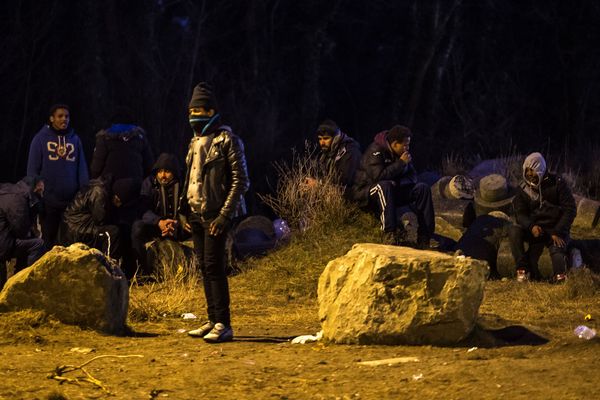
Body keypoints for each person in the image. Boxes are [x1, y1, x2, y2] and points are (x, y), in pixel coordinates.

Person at [182, 82, 250, 343]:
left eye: (199, 110)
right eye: (190, 111)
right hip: (197, 213)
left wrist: (224, 215)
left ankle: (224, 322)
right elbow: (190, 177)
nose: (193, 116)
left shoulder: (227, 141)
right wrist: (184, 211)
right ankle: (212, 319)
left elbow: (240, 181)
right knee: (203, 267)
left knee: (215, 266)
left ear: (212, 112)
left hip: (215, 214)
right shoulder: (194, 142)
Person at [351, 125, 435, 248]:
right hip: (366, 192)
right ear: (395, 144)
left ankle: (424, 237)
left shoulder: (403, 155)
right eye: (405, 145)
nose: (407, 148)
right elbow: (378, 177)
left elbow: (413, 177)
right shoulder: (376, 150)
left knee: (422, 188)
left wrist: (398, 183)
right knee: (384, 186)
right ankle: (389, 234)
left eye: (408, 145)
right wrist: (400, 164)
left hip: (390, 190)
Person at [27, 104, 89, 250]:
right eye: (60, 116)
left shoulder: (75, 139)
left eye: (67, 116)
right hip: (48, 202)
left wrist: (83, 194)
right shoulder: (40, 139)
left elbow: (82, 169)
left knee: (69, 242)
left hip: (71, 203)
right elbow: (32, 170)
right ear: (51, 118)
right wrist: (35, 196)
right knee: (48, 241)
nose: (64, 119)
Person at [508, 152, 577, 282]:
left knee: (557, 255)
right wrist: (531, 226)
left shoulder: (558, 184)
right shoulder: (523, 188)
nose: (529, 174)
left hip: (555, 229)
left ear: (540, 169)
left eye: (532, 170)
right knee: (513, 230)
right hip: (535, 229)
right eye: (527, 170)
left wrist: (558, 231)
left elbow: (570, 210)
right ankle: (522, 270)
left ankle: (560, 275)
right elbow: (520, 213)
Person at [62, 176, 140, 265]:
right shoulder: (99, 193)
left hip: (82, 223)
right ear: (118, 198)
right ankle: (109, 267)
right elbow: (100, 220)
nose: (119, 206)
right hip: (77, 228)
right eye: (120, 203)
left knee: (123, 227)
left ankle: (128, 267)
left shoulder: (105, 189)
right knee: (112, 233)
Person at [132, 153, 185, 277]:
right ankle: (141, 272)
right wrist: (159, 222)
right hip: (156, 225)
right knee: (137, 228)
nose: (163, 176)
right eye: (160, 171)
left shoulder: (182, 184)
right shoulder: (150, 183)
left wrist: (179, 221)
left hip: (177, 225)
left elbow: (189, 206)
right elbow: (142, 209)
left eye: (167, 171)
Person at [0, 176, 45, 289]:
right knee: (38, 244)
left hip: (3, 238)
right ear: (36, 186)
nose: (43, 192)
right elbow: (21, 230)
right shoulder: (19, 199)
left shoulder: (10, 190)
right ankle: (23, 281)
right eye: (41, 188)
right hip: (2, 245)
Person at [90, 109, 154, 181]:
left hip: (109, 184)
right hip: (135, 183)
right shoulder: (140, 137)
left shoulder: (104, 138)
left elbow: (96, 166)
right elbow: (149, 164)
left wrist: (94, 179)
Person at [304, 119, 361, 199]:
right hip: (334, 194)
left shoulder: (350, 151)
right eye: (320, 139)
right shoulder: (325, 153)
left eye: (326, 138)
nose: (322, 143)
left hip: (352, 196)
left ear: (336, 138)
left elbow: (344, 183)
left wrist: (319, 184)